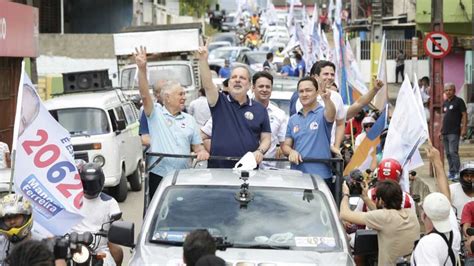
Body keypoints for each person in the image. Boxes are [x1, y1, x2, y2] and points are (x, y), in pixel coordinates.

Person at [134, 46, 209, 198]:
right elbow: (144, 95)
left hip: (183, 177)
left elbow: (198, 147)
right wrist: (142, 69)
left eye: (184, 94)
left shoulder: (189, 119)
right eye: (180, 94)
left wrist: (202, 152)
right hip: (159, 174)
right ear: (167, 97)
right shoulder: (155, 113)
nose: (184, 97)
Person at [197, 41, 271, 169]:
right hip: (218, 169)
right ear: (229, 83)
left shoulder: (260, 109)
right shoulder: (219, 102)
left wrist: (259, 151)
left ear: (249, 85)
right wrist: (203, 60)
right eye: (234, 77)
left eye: (242, 78)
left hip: (248, 170)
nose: (237, 80)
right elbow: (208, 84)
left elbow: (266, 138)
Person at [290, 60, 384, 157]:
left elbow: (344, 119)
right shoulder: (304, 98)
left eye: (332, 74)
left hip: (329, 153)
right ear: (315, 77)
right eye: (326, 74)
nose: (330, 77)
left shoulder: (335, 97)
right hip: (308, 151)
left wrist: (336, 146)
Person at [340, 179, 420, 265]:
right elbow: (383, 214)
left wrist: (346, 194)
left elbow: (344, 214)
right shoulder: (411, 214)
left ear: (381, 200)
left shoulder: (383, 217)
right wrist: (365, 198)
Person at [281, 77, 336, 191]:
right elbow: (286, 146)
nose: (304, 94)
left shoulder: (323, 113)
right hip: (297, 177)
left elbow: (331, 115)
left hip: (321, 177)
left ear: (317, 92)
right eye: (301, 91)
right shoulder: (293, 119)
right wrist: (291, 151)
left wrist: (327, 99)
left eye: (308, 90)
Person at [411, 144, 461, 266]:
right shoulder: (453, 230)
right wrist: (436, 161)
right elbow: (445, 194)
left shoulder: (427, 245)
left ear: (424, 216)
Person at [72, 163, 122, 266]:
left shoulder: (110, 202)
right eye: (87, 183)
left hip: (100, 248)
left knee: (117, 253)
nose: (91, 187)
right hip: (73, 246)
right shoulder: (71, 200)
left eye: (94, 183)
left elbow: (118, 222)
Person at [442, 83, 468, 180]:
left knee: (453, 152)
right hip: (445, 132)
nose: (448, 92)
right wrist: (440, 131)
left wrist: (464, 128)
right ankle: (452, 172)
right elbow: (443, 118)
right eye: (446, 90)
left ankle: (458, 172)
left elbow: (464, 115)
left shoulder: (459, 101)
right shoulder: (445, 103)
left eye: (450, 90)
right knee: (448, 153)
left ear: (454, 90)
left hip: (454, 131)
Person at [0, 194, 35, 263]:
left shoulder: (43, 243)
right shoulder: (1, 244)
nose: (12, 221)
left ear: (26, 217)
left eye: (16, 217)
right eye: (8, 218)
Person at [139, 79, 166, 147]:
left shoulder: (181, 110)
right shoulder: (150, 110)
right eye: (165, 90)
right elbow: (144, 139)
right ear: (156, 94)